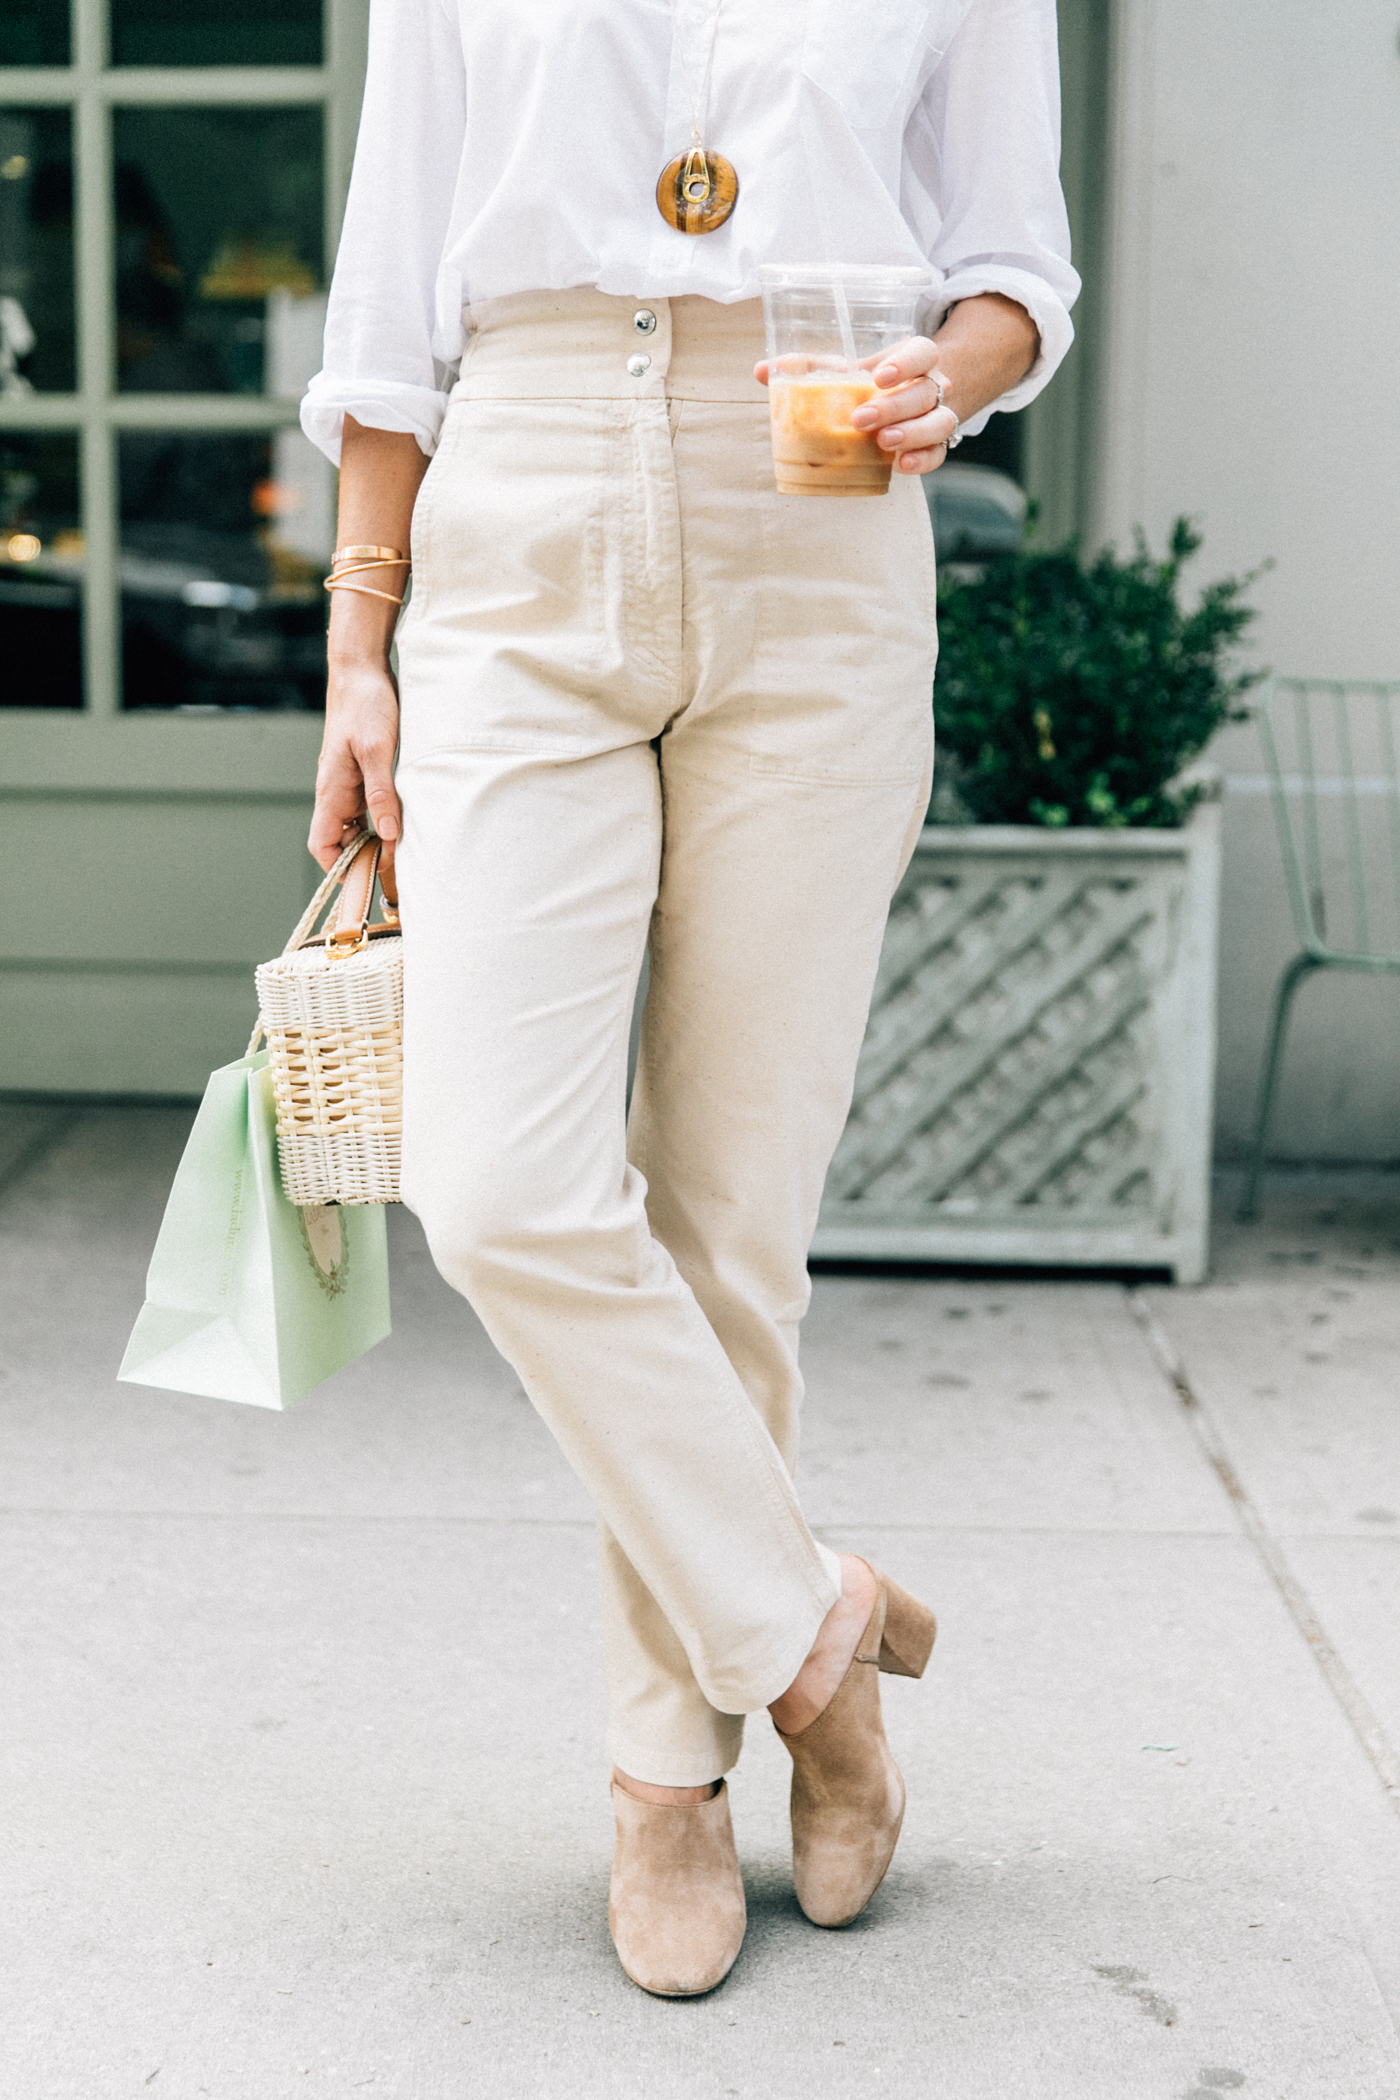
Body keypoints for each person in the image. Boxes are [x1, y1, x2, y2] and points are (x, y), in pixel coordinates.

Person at [301, 0, 1078, 1999]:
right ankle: (821, 1647)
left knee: (732, 1221)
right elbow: (389, 306)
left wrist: (951, 375)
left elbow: (1014, 269)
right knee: (497, 1184)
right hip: (523, 505)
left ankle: (670, 1776)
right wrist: (359, 645)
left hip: (819, 521)